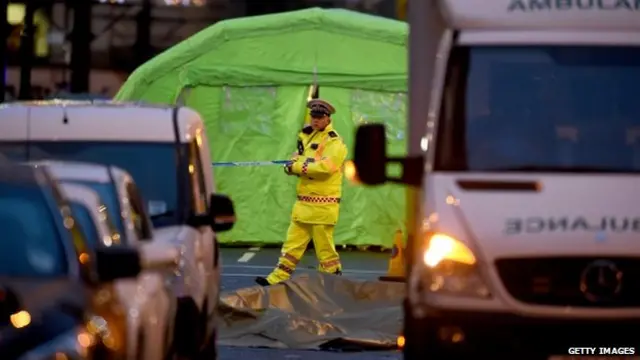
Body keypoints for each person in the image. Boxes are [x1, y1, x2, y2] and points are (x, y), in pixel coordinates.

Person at [255, 99, 348, 286]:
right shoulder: (307, 137)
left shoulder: (334, 142)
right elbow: (296, 159)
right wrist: (290, 167)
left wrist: (296, 166)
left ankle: (330, 280)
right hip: (304, 203)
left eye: (320, 117)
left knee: (325, 249)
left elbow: (325, 168)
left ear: (328, 118)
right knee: (291, 245)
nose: (315, 120)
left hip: (323, 205)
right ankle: (277, 278)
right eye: (313, 116)